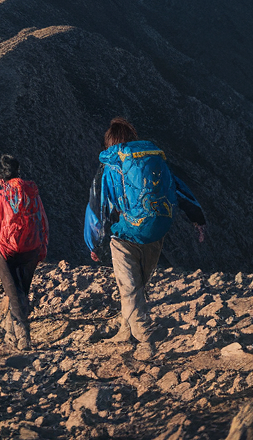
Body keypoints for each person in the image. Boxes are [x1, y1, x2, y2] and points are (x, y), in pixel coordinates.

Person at [84, 117, 207, 358]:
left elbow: (97, 207)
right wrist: (198, 219)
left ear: (110, 144)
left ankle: (143, 331)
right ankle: (125, 328)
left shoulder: (110, 166)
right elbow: (179, 189)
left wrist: (95, 243)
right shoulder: (154, 160)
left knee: (128, 285)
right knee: (137, 285)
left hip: (126, 235)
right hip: (156, 234)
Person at [0, 154, 49, 349]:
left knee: (13, 294)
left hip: (6, 250)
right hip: (32, 248)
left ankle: (23, 337)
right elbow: (43, 220)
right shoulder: (33, 193)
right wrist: (42, 246)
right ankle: (10, 333)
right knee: (21, 291)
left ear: (0, 178)